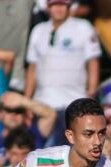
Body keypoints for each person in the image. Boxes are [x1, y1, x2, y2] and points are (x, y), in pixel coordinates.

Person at [24, 0, 102, 145]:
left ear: (68, 7)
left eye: (62, 5)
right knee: (42, 154)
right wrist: (27, 102)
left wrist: (91, 95)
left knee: (67, 154)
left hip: (72, 103)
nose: (58, 9)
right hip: (43, 104)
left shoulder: (83, 27)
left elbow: (93, 62)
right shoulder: (38, 31)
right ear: (48, 7)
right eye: (54, 5)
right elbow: (32, 68)